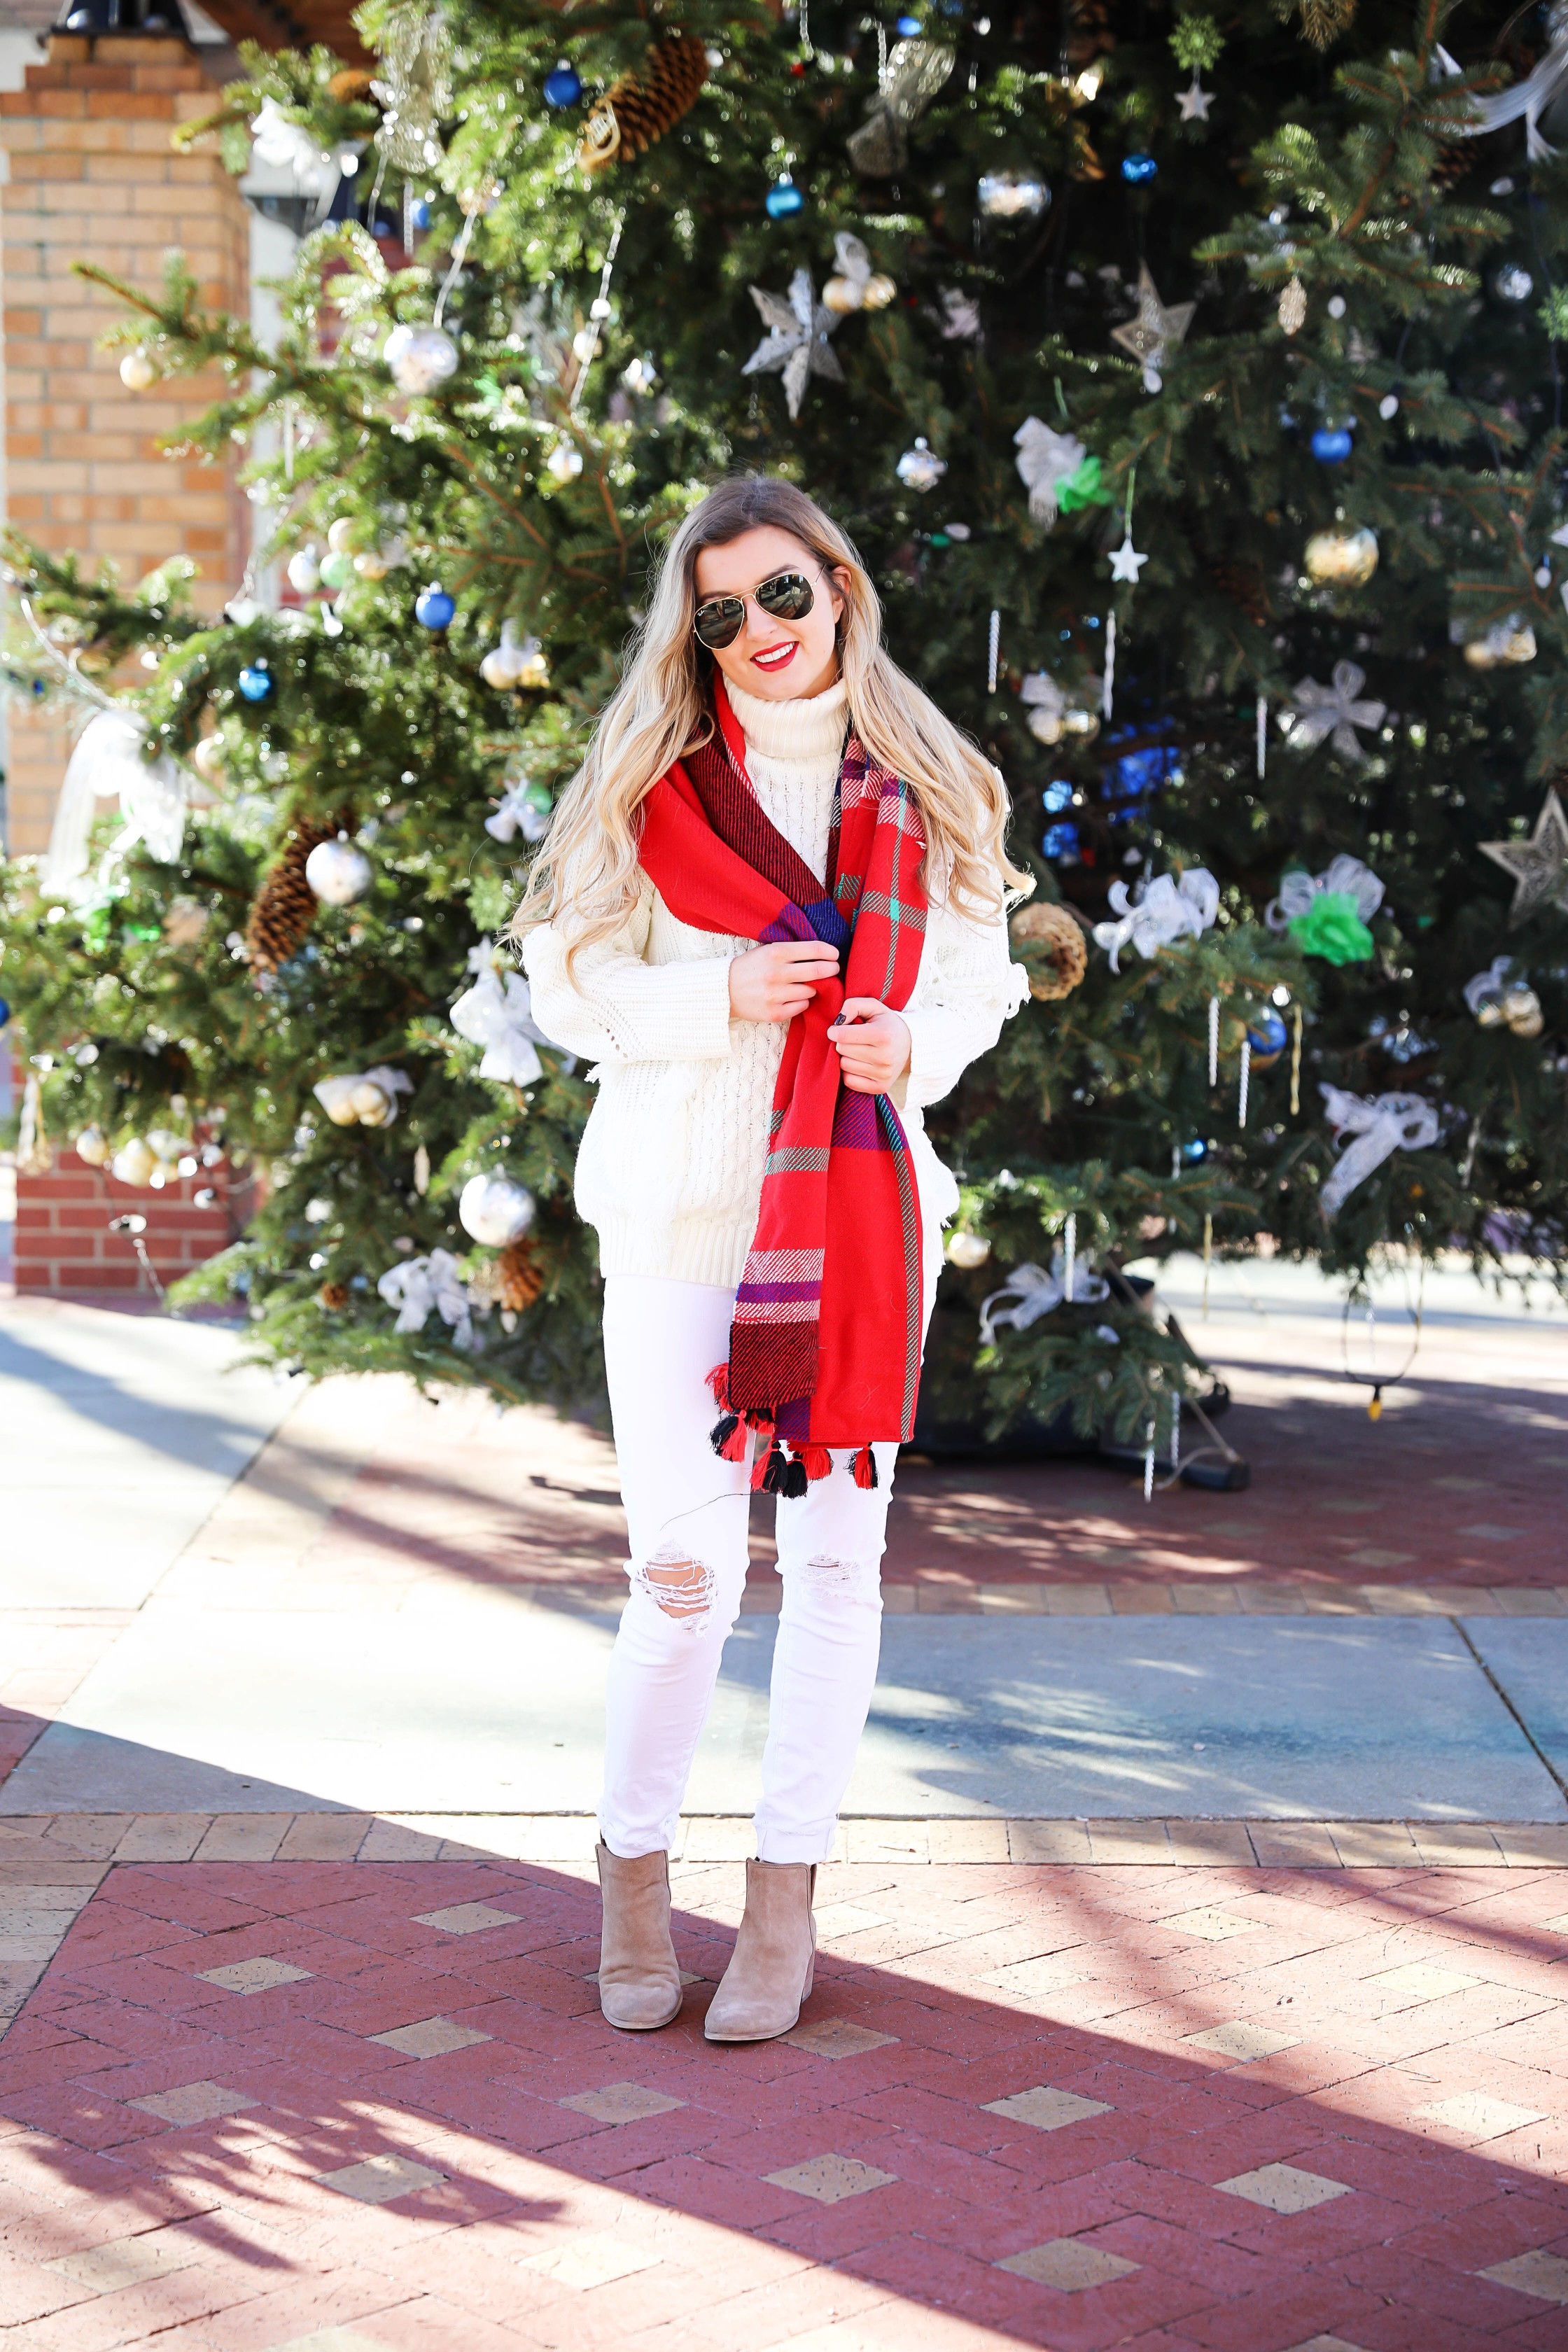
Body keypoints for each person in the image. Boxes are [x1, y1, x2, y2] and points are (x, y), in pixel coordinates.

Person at [514, 476, 1028, 2043]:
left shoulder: (932, 782)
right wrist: (718, 999)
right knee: (679, 1573)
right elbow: (561, 984)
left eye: (783, 596)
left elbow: (981, 982)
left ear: (842, 589)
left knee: (829, 1567)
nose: (756, 633)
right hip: (680, 1216)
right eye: (721, 610)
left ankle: (785, 1893)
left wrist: (910, 1040)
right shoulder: (652, 783)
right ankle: (630, 1879)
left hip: (861, 1225)